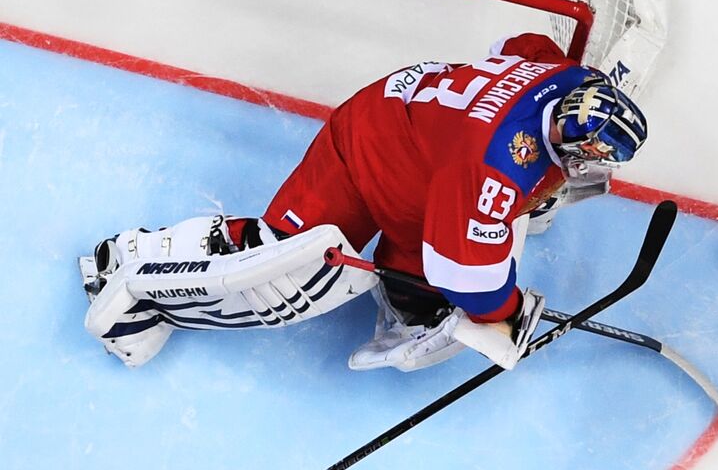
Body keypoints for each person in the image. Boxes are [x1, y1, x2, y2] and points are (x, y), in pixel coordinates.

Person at [80, 33, 649, 373]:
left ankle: (406, 293)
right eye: (589, 153)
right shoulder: (494, 164)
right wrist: (503, 314)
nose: (593, 162)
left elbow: (516, 49)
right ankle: (132, 263)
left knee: (430, 288)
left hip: (422, 155)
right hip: (367, 146)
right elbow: (468, 273)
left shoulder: (573, 77)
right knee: (283, 272)